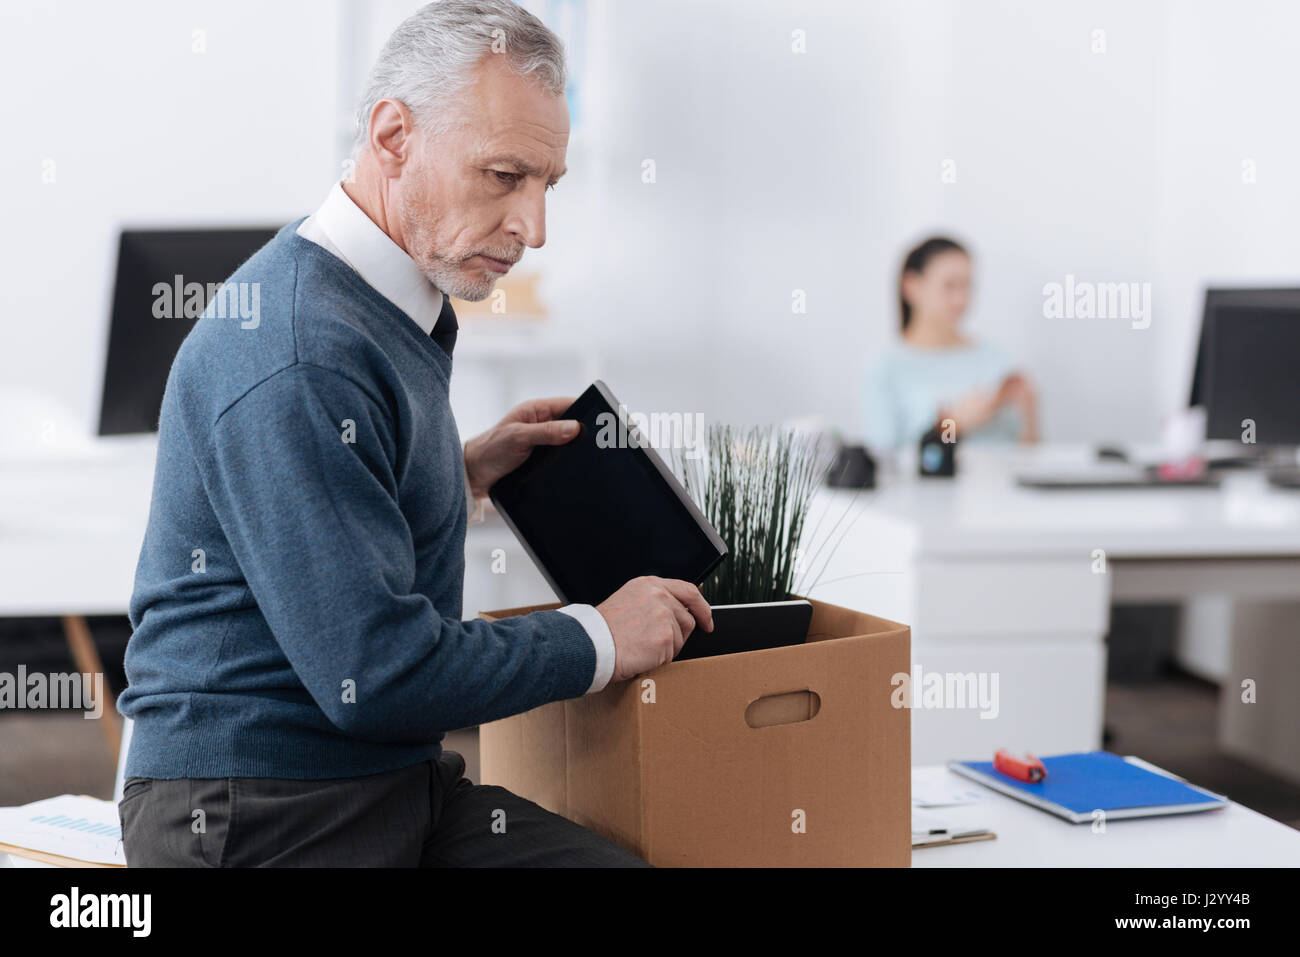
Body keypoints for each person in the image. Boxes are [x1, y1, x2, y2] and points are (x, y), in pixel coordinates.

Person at [116, 0, 711, 868]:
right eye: (504, 176)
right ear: (393, 136)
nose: (533, 228)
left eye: (548, 185)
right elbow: (380, 673)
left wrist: (457, 471)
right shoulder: (298, 352)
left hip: (392, 781)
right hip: (258, 808)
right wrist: (600, 637)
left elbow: (333, 502)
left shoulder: (382, 296)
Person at [862, 236, 1039, 450]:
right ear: (911, 287)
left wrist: (1029, 411)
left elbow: (1030, 453)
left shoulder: (996, 357)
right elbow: (884, 459)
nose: (960, 299)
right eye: (949, 286)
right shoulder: (885, 368)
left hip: (1002, 481)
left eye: (967, 287)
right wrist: (953, 425)